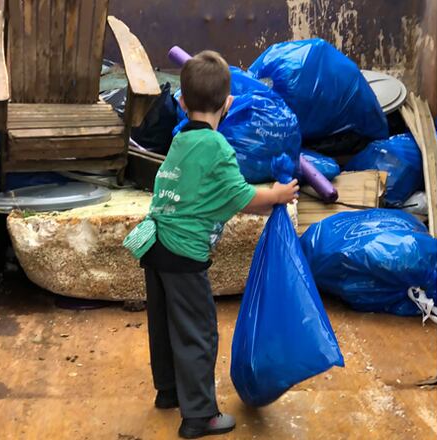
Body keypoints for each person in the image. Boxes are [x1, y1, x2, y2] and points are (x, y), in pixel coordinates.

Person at [123, 50, 299, 439]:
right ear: (229, 104)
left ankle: (169, 392)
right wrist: (275, 194)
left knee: (165, 326)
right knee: (198, 332)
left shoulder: (180, 140)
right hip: (184, 253)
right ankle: (199, 416)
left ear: (182, 104)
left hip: (155, 248)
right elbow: (238, 196)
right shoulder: (217, 147)